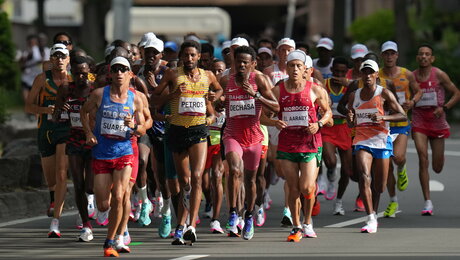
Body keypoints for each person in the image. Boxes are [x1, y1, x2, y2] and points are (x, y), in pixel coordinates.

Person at [153, 40, 223, 245]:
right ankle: (180, 224)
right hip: (176, 130)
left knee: (197, 176)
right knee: (185, 182)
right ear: (181, 57)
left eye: (193, 55)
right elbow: (155, 98)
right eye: (186, 55)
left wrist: (214, 97)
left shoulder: (208, 75)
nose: (189, 59)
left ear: (199, 57)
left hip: (199, 130)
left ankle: (191, 225)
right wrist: (173, 94)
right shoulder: (172, 74)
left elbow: (219, 91)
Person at [81, 56, 147, 257]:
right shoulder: (99, 95)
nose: (119, 73)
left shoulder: (135, 98)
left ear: (130, 74)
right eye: (115, 69)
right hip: (102, 153)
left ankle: (111, 240)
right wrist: (89, 134)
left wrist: (134, 127)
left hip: (124, 152)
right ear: (110, 73)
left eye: (123, 69)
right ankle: (113, 229)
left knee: (120, 196)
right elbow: (83, 113)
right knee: (104, 204)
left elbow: (144, 127)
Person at [266, 50, 331, 242]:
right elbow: (263, 116)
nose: (294, 69)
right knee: (293, 187)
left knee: (307, 187)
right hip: (287, 145)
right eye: (291, 65)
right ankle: (296, 226)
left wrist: (318, 123)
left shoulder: (314, 89)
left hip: (309, 143)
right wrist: (274, 123)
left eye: (298, 66)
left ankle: (308, 222)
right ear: (286, 68)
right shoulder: (278, 90)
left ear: (305, 70)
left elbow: (328, 114)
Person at [220, 46, 279, 240]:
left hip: (254, 137)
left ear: (253, 64)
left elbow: (277, 106)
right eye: (239, 62)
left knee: (251, 180)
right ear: (234, 63)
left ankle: (250, 215)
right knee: (235, 170)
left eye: (246, 62)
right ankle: (233, 212)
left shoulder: (259, 80)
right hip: (232, 135)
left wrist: (256, 95)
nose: (242, 65)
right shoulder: (225, 80)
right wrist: (218, 102)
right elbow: (217, 103)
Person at [346, 60, 406, 233]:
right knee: (364, 176)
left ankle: (374, 211)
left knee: (379, 186)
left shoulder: (384, 93)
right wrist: (350, 119)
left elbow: (402, 115)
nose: (367, 75)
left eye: (370, 72)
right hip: (362, 140)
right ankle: (371, 217)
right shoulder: (354, 96)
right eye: (364, 72)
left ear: (376, 75)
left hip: (381, 140)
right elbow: (351, 124)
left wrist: (383, 118)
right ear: (361, 75)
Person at [25, 43, 72, 238]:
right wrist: (46, 110)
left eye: (63, 56)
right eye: (56, 56)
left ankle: (56, 222)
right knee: (51, 179)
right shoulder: (42, 79)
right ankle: (53, 198)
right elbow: (28, 106)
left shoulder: (73, 80)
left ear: (68, 60)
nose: (59, 60)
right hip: (46, 131)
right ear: (51, 59)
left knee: (62, 175)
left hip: (66, 130)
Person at [412, 44, 460, 215]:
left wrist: (444, 108)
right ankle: (427, 202)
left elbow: (456, 93)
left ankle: (440, 157)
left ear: (432, 58)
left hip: (437, 121)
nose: (424, 57)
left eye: (427, 54)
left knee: (437, 167)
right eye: (421, 54)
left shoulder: (439, 74)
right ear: (417, 58)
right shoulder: (412, 77)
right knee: (422, 157)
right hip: (419, 121)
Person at [379, 41, 422, 218]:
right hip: (383, 125)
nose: (389, 57)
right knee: (386, 165)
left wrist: (412, 102)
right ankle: (393, 200)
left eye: (392, 53)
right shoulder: (376, 74)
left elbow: (419, 91)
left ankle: (402, 168)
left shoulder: (407, 74)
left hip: (401, 122)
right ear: (382, 56)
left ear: (397, 55)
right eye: (386, 54)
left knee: (399, 157)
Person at [53, 55, 94, 241]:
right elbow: (55, 117)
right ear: (72, 73)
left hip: (93, 141)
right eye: (77, 74)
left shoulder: (96, 91)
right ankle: (86, 225)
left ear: (89, 73)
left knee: (90, 186)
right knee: (78, 184)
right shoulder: (65, 89)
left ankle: (93, 202)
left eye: (84, 74)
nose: (81, 78)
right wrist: (62, 109)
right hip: (75, 140)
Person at [263, 38, 296, 227]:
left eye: (289, 50)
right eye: (282, 50)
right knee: (275, 162)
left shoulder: (301, 71)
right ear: (277, 51)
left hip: (294, 122)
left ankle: (288, 209)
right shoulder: (269, 72)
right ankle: (275, 174)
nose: (285, 53)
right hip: (275, 121)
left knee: (287, 167)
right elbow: (268, 96)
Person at [320, 57, 353, 215]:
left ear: (347, 72)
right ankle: (331, 174)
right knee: (331, 161)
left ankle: (338, 202)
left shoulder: (350, 86)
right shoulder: (324, 85)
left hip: (344, 127)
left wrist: (351, 87)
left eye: (343, 72)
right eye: (337, 71)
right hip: (328, 126)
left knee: (347, 170)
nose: (339, 75)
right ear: (331, 70)